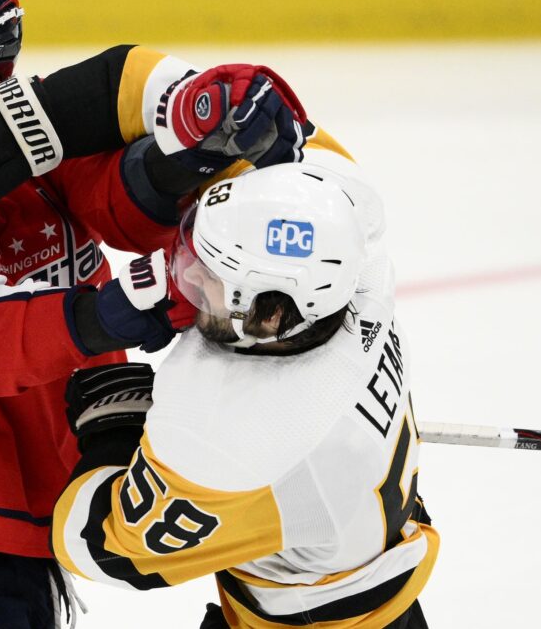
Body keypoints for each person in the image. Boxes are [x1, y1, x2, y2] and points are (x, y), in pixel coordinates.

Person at [0, 0, 315, 627]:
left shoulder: (15, 151)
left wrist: (192, 155)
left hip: (20, 533)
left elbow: (113, 198)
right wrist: (111, 313)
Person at [53, 153, 439, 628]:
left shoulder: (235, 436)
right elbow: (294, 167)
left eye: (213, 274)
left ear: (272, 315)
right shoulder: (355, 257)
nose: (186, 276)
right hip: (372, 585)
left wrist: (113, 432)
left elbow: (99, 547)